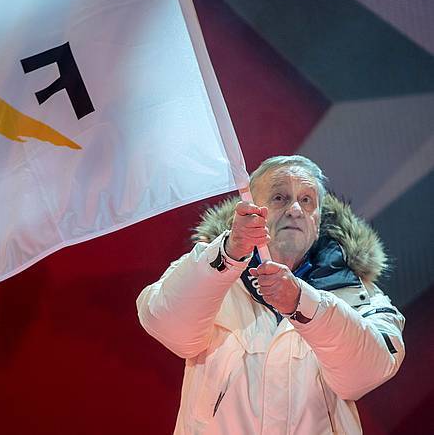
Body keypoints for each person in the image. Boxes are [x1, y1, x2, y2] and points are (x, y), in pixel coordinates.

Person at [136, 155, 405, 434]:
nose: (295, 210)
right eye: (279, 197)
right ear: (252, 209)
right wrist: (228, 253)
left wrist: (303, 303)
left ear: (319, 219)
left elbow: (364, 375)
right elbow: (163, 323)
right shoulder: (206, 270)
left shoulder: (360, 295)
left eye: (307, 200)